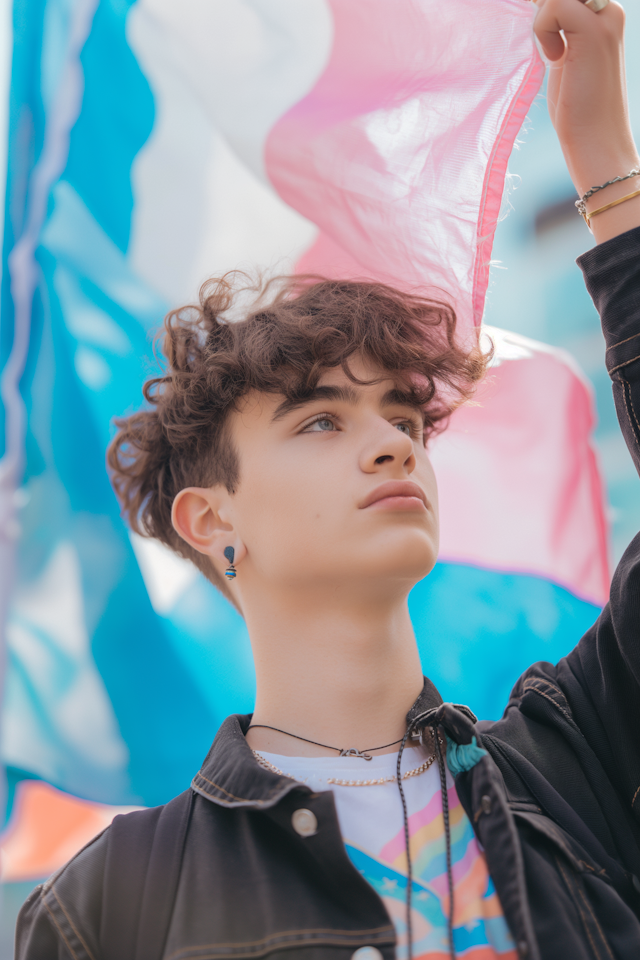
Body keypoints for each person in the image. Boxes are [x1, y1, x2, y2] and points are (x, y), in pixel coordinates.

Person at [15, 0, 640, 958]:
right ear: (211, 518)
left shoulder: (577, 757)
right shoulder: (109, 904)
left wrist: (605, 158)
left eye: (402, 416)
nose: (393, 445)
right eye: (319, 419)